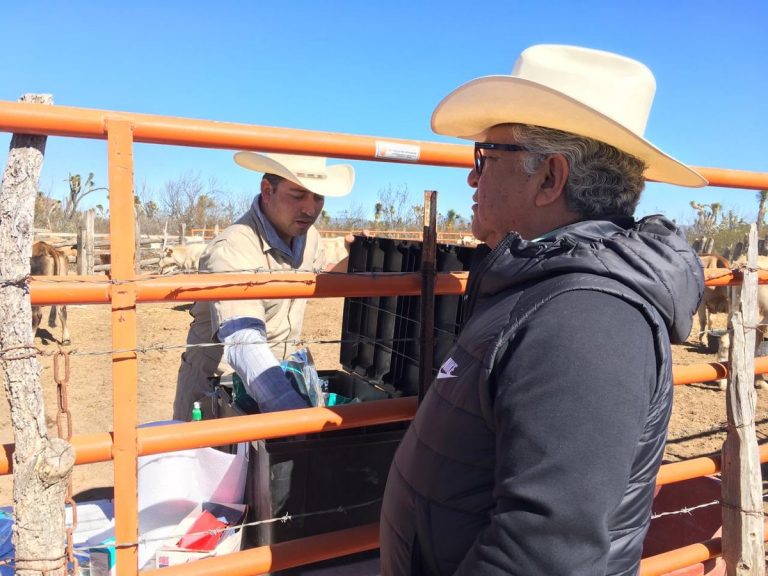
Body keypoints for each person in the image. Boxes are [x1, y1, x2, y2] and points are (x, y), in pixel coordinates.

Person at [380, 44, 706, 575]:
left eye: (484, 157)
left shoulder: (586, 320)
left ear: (550, 178)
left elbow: (542, 554)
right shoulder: (545, 287)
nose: (472, 178)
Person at [172, 152, 354, 421]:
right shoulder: (233, 248)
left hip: (276, 381)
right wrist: (294, 413)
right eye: (297, 195)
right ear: (267, 191)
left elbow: (323, 271)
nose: (310, 209)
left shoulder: (308, 237)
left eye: (318, 197)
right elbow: (244, 341)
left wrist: (358, 257)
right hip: (220, 396)